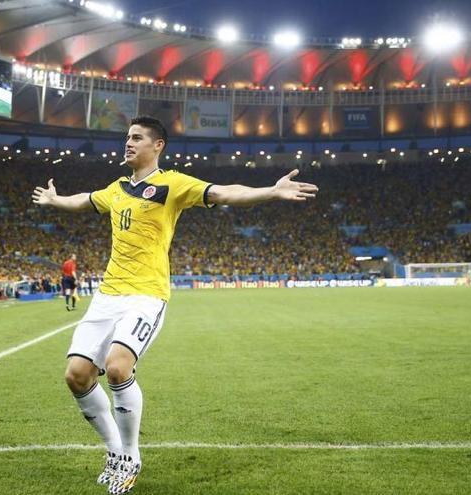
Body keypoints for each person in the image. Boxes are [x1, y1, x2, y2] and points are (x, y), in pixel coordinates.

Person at [31, 116, 319, 494]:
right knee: (76, 376)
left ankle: (131, 455)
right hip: (107, 296)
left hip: (147, 294)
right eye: (127, 138)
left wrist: (270, 190)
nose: (128, 144)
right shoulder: (116, 189)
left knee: (118, 368)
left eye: (137, 138)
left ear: (158, 146)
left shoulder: (173, 184)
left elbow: (223, 192)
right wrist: (55, 200)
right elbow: (82, 201)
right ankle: (114, 450)